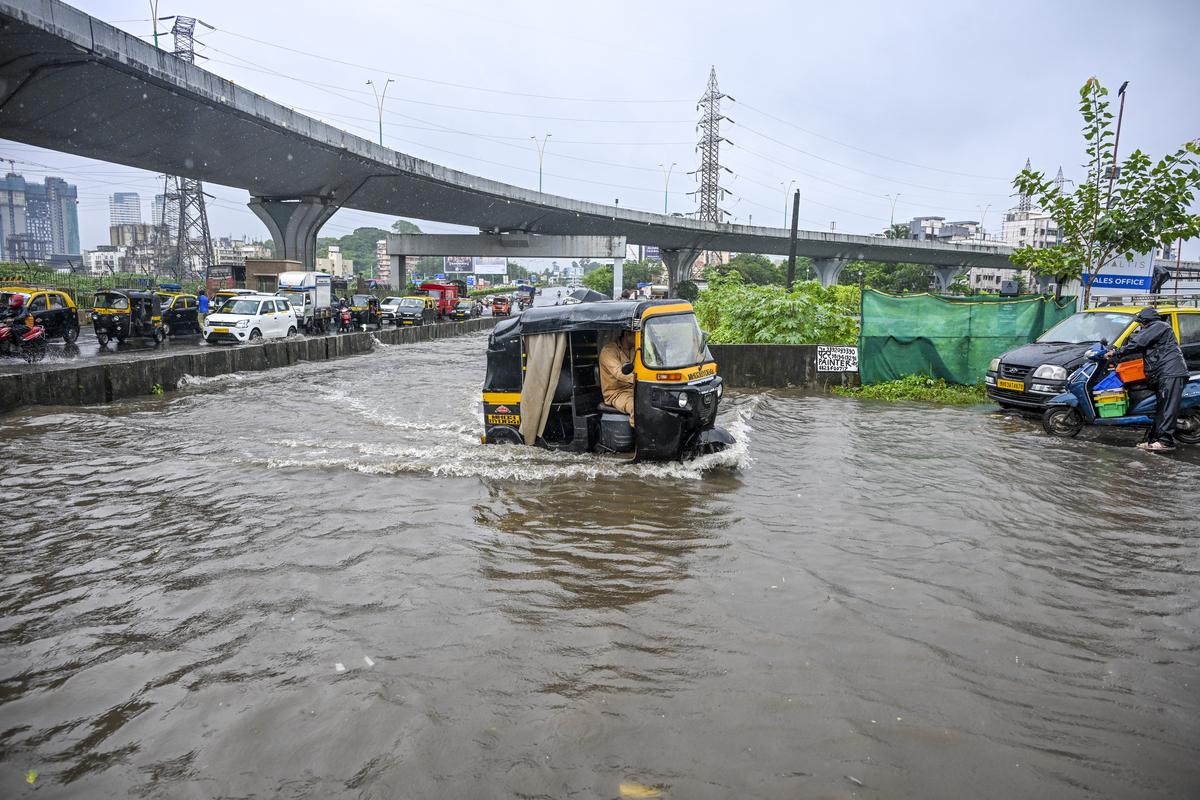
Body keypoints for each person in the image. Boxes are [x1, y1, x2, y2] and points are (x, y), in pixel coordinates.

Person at [1107, 307, 1188, 452]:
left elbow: (1138, 342)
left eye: (1141, 323)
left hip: (1170, 372)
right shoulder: (1156, 328)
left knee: (1168, 408)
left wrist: (1116, 351)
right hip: (1164, 372)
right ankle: (1154, 440)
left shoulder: (1159, 326)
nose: (1140, 326)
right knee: (1161, 408)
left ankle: (1166, 442)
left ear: (1146, 321)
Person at [599, 329, 636, 424]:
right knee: (637, 407)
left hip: (634, 389)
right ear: (627, 334)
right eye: (637, 335)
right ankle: (639, 436)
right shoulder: (608, 351)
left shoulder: (635, 349)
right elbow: (619, 373)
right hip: (616, 393)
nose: (640, 338)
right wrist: (640, 379)